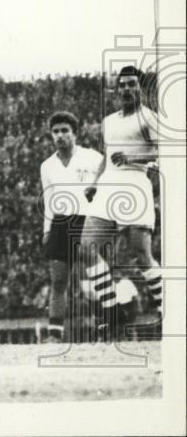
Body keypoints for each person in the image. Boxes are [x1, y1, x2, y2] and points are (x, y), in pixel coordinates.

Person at [81, 65, 163, 339]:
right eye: (123, 84)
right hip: (107, 185)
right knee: (86, 249)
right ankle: (112, 311)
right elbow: (107, 155)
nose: (127, 89)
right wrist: (95, 181)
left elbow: (165, 154)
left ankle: (169, 311)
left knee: (141, 254)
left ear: (141, 88)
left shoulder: (149, 118)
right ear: (116, 89)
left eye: (132, 84)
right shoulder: (109, 121)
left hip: (135, 183)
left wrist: (133, 160)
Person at [38, 111, 105, 343]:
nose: (60, 135)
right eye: (55, 131)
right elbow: (49, 200)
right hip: (60, 222)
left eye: (65, 130)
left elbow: (107, 184)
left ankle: (110, 321)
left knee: (95, 273)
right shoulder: (47, 165)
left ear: (74, 133)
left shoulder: (93, 158)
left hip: (88, 218)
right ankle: (55, 334)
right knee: (58, 281)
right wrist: (47, 230)